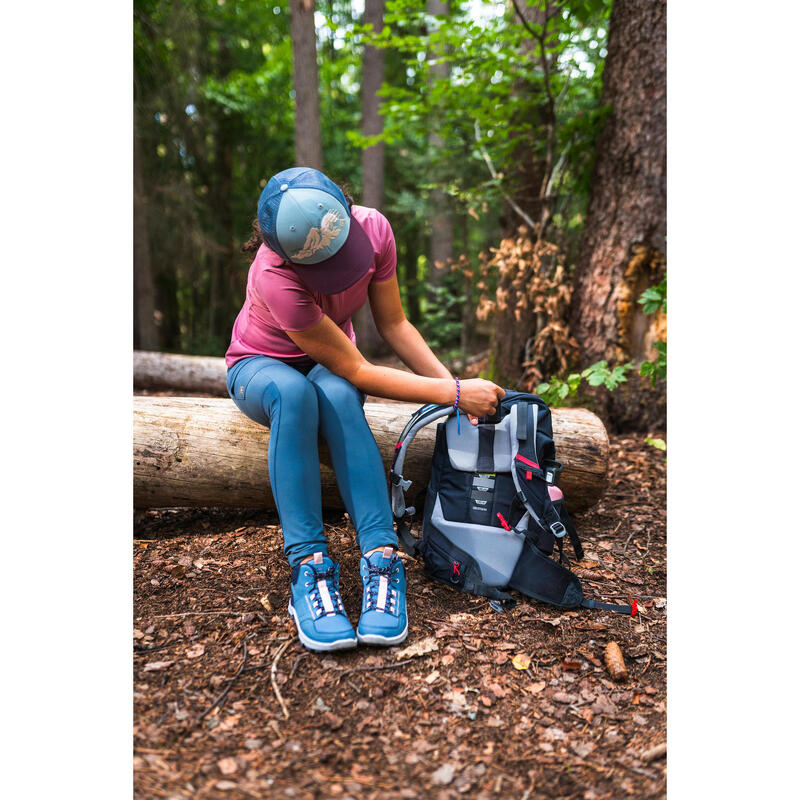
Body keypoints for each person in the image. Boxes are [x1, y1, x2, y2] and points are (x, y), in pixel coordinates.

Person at [225, 167, 505, 653]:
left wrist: (453, 389)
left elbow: (394, 324)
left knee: (331, 395)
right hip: (261, 365)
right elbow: (358, 369)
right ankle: (309, 568)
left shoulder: (374, 229)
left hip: (334, 366)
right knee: (295, 396)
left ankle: (380, 556)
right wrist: (456, 394)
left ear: (346, 212)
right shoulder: (273, 274)